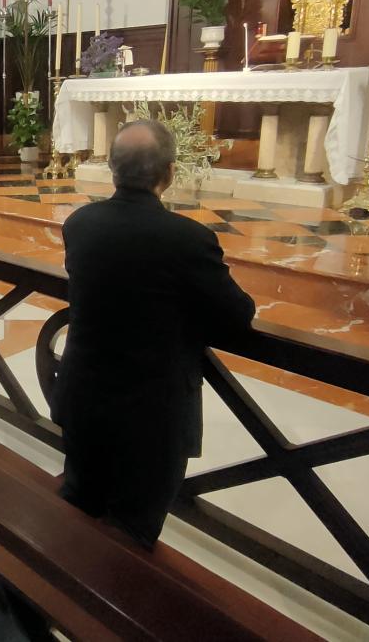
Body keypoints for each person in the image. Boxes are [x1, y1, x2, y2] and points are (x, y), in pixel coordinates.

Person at [52, 119, 255, 546]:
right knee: (134, 530)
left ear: (112, 169)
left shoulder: (80, 224)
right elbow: (238, 315)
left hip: (83, 397)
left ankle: (43, 588)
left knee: (79, 502)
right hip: (151, 419)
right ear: (169, 172)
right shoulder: (189, 239)